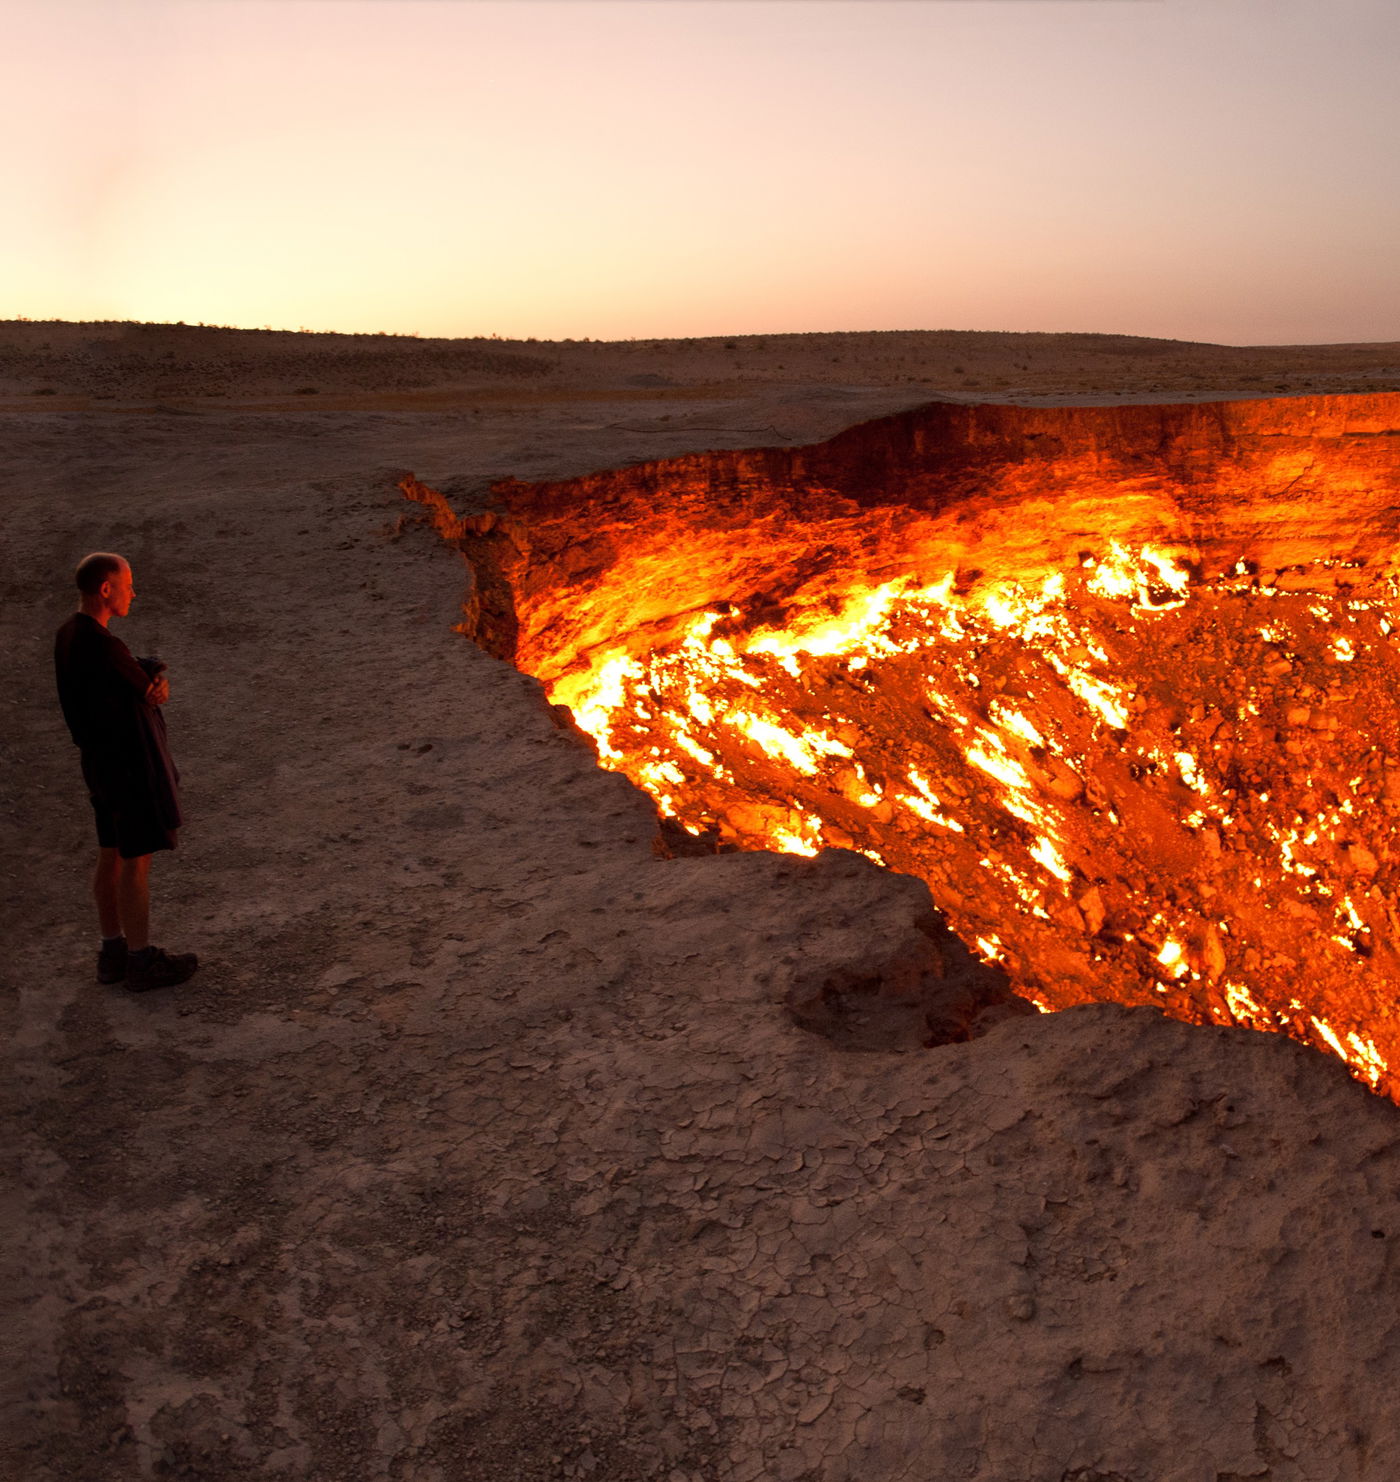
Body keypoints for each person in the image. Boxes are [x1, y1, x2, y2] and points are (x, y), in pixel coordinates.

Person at [54, 553, 198, 991]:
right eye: (128, 584)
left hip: (99, 766)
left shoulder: (69, 634)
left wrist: (149, 678)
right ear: (105, 589)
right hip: (130, 770)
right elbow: (148, 692)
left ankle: (112, 951)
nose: (133, 592)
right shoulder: (104, 646)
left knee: (110, 854)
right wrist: (155, 684)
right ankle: (140, 960)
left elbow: (134, 678)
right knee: (136, 863)